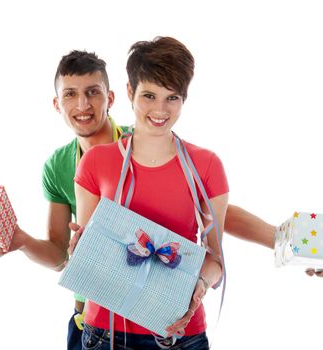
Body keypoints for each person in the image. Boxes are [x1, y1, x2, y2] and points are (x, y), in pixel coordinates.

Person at [0, 48, 323, 350]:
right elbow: (62, 252)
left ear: (113, 97)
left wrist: (289, 244)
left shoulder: (166, 147)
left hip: (174, 330)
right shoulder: (64, 166)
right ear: (56, 103)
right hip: (96, 321)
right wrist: (22, 241)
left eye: (93, 92)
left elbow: (211, 221)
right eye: (70, 94)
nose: (83, 104)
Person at [73, 36, 225, 349]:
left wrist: (200, 284)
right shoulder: (96, 162)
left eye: (172, 98)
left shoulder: (206, 166)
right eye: (149, 95)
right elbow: (86, 252)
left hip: (180, 334)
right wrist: (77, 247)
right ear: (129, 92)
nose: (160, 109)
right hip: (106, 334)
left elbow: (215, 260)